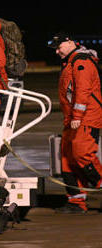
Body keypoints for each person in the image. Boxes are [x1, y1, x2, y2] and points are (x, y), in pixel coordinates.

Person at [48, 32, 102, 213]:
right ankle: (76, 201)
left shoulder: (81, 62)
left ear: (70, 42)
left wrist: (78, 116)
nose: (57, 52)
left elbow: (82, 92)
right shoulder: (71, 62)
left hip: (86, 117)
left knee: (82, 155)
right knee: (67, 159)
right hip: (72, 119)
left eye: (59, 47)